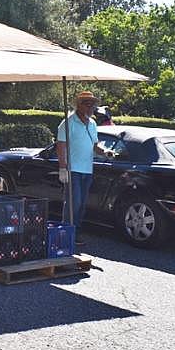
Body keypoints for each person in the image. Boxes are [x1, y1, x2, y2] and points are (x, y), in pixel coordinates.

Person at [56, 91, 113, 245]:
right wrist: (63, 167)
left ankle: (75, 232)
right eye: (87, 104)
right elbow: (60, 146)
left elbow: (95, 146)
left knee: (81, 204)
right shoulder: (68, 122)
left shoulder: (93, 124)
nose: (90, 107)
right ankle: (67, 232)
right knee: (73, 203)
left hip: (87, 169)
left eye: (92, 104)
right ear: (79, 105)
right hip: (72, 169)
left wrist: (105, 152)